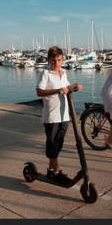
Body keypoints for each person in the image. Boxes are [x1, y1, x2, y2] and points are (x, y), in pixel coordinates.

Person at [36, 46, 83, 184]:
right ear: (48, 61)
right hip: (52, 116)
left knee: (58, 144)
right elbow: (39, 92)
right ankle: (56, 170)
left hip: (64, 115)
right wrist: (57, 90)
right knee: (52, 144)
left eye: (59, 60)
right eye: (53, 61)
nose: (56, 63)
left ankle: (51, 171)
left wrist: (75, 86)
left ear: (62, 60)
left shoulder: (63, 72)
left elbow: (66, 88)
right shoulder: (45, 73)